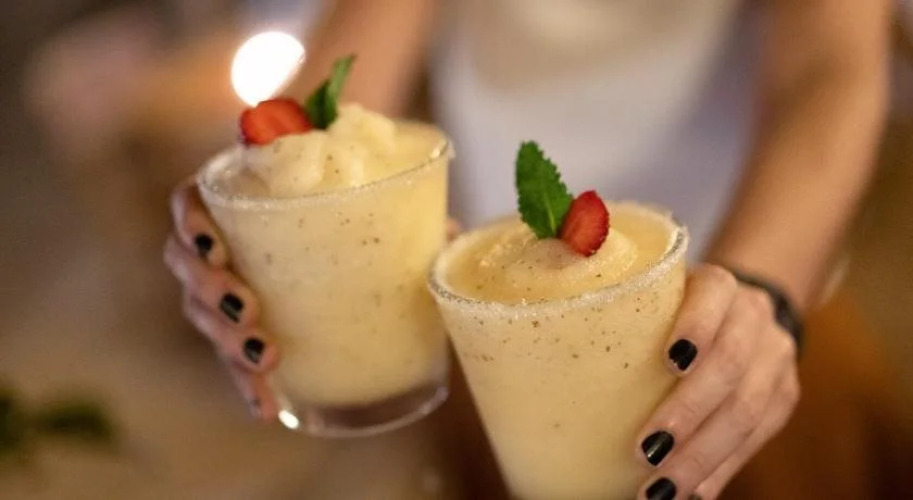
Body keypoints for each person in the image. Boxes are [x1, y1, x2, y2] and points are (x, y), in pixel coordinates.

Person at [163, 0, 891, 498]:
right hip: (504, 332)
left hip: (735, 308)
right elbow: (352, 69)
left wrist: (761, 288)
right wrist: (275, 186)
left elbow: (829, 67)